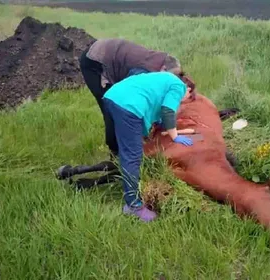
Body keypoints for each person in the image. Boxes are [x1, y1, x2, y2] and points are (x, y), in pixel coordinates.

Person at [102, 71, 195, 221]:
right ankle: (133, 206)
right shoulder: (179, 87)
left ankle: (123, 179)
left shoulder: (167, 78)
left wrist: (163, 126)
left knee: (123, 147)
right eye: (187, 99)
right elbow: (167, 110)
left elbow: (157, 105)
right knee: (132, 156)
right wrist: (175, 136)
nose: (182, 101)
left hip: (112, 97)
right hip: (129, 106)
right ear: (188, 89)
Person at [79, 38, 182, 159]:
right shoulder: (142, 71)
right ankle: (115, 152)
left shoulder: (160, 62)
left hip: (112, 54)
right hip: (94, 61)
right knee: (111, 106)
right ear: (164, 68)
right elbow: (131, 99)